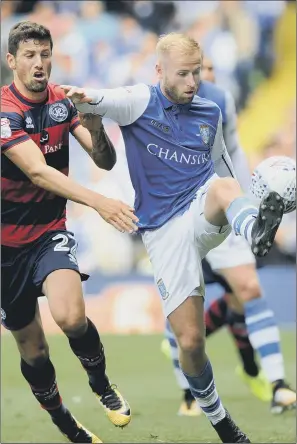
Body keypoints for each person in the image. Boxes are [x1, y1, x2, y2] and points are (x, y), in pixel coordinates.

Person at [62, 32, 286, 443]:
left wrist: (241, 209)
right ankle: (221, 421)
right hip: (164, 233)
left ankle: (255, 228)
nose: (192, 82)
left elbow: (223, 169)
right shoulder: (139, 101)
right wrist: (82, 96)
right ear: (160, 71)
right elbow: (101, 98)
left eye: (197, 72)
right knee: (190, 341)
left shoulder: (209, 112)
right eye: (183, 74)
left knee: (222, 188)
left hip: (202, 207)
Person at [1, 21, 137, 443]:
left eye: (44, 54)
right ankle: (66, 423)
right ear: (12, 61)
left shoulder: (63, 101)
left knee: (71, 317)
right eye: (29, 55)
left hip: (49, 233)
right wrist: (98, 202)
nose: (39, 63)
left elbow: (105, 161)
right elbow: (38, 171)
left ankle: (101, 386)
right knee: (34, 351)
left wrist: (95, 127)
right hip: (5, 249)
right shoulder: (4, 113)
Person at [162, 56, 296, 416]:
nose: (199, 79)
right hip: (176, 213)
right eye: (190, 71)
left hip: (224, 202)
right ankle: (189, 395)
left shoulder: (220, 100)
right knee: (182, 308)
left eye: (205, 71)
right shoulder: (155, 104)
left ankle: (279, 385)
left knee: (248, 289)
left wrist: (247, 198)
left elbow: (232, 152)